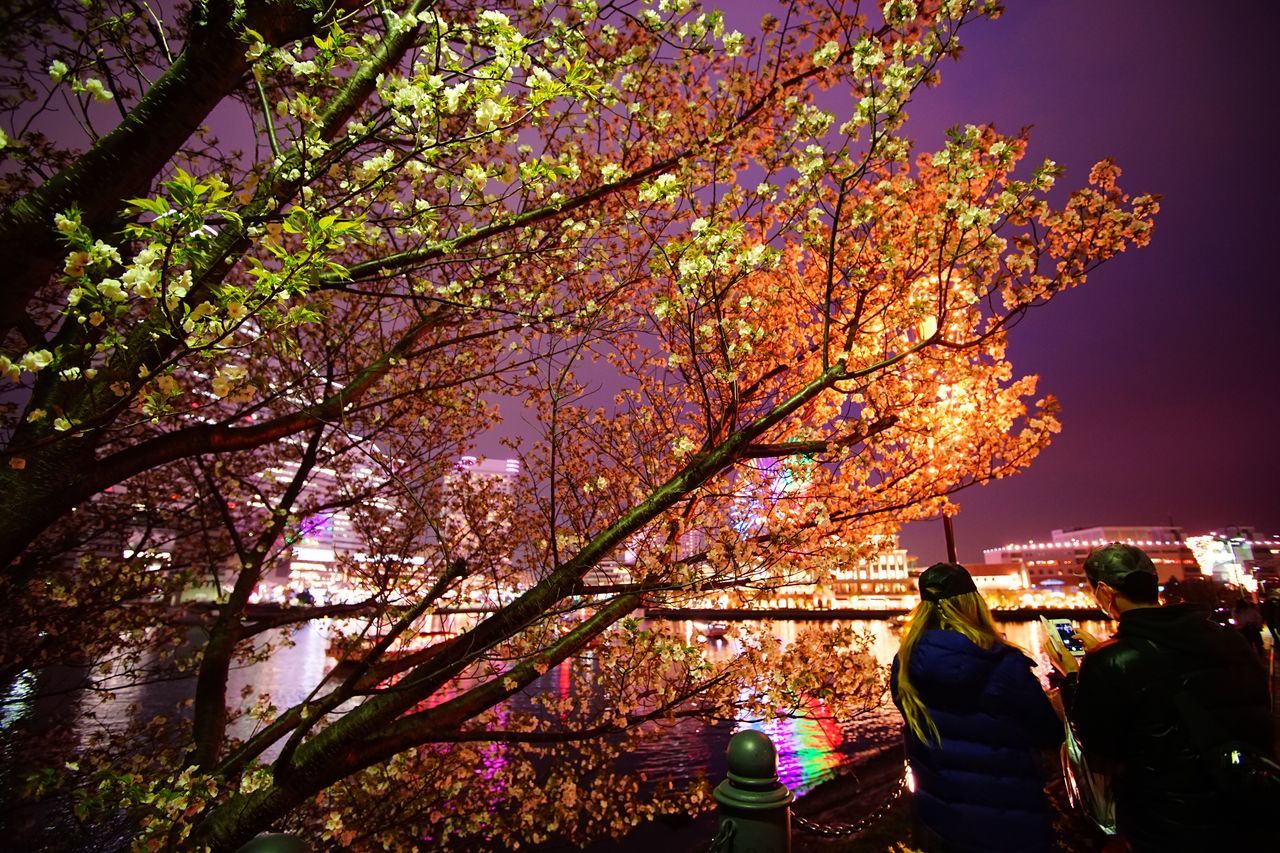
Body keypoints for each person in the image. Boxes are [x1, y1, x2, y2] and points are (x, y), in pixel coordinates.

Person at [1044, 544, 1275, 851]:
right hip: (1246, 796)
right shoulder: (1229, 639)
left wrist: (1072, 676)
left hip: (1167, 815)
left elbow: (1098, 744)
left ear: (1103, 591)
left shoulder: (1113, 659)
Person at [891, 562, 1063, 853]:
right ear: (974, 603)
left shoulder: (906, 663)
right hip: (1010, 813)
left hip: (942, 813)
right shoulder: (1005, 664)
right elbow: (1047, 733)